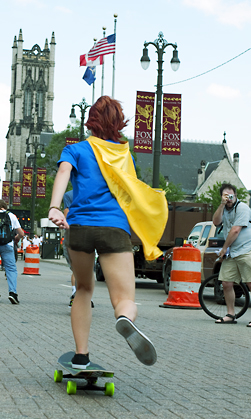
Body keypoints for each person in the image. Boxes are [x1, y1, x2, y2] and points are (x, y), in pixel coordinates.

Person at [48, 95, 168, 369]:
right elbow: (130, 193)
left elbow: (64, 172)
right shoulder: (125, 155)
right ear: (118, 123)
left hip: (78, 227)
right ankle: (124, 318)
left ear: (91, 121)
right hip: (113, 228)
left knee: (83, 289)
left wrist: (55, 207)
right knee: (124, 299)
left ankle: (81, 355)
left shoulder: (76, 150)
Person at [212, 183, 251, 327]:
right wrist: (222, 205)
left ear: (236, 195)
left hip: (247, 249)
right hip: (233, 252)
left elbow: (235, 230)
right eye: (225, 196)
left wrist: (224, 248)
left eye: (231, 195)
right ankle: (231, 314)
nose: (229, 198)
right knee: (226, 283)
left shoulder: (242, 208)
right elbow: (216, 222)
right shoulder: (224, 209)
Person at [62, 190, 78, 307]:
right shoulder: (94, 191)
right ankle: (84, 296)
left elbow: (67, 215)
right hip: (89, 232)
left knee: (75, 269)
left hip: (72, 234)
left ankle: (75, 293)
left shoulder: (68, 195)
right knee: (86, 269)